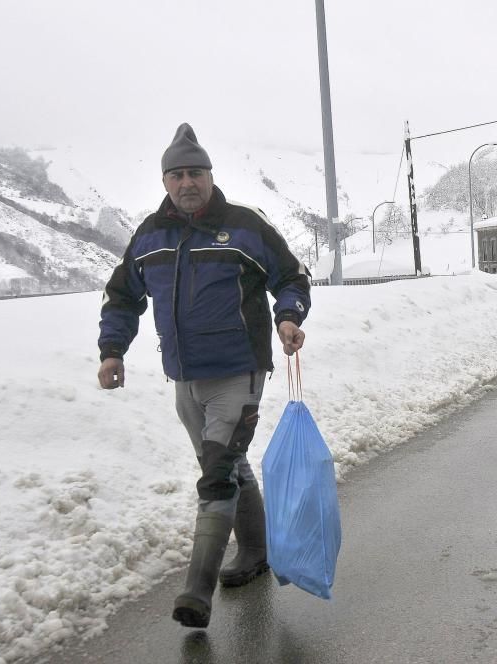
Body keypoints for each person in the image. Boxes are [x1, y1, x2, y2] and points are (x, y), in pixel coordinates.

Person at [97, 123, 310, 628]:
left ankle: (197, 591)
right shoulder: (150, 235)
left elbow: (290, 276)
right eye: (177, 175)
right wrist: (112, 351)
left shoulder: (243, 227)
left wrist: (288, 315)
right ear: (166, 181)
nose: (186, 183)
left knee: (216, 471)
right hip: (185, 378)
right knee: (230, 466)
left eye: (195, 173)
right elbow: (123, 295)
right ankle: (255, 552)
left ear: (210, 176)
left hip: (239, 369)